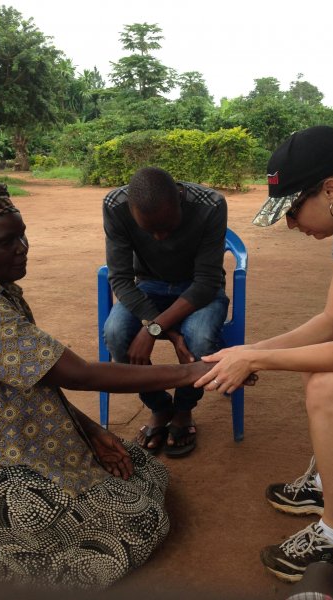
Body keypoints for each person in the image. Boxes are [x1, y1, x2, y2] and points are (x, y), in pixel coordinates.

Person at [0, 180, 212, 588]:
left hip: (34, 434)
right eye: (7, 241)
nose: (23, 246)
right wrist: (193, 371)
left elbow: (35, 377)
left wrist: (89, 429)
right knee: (141, 522)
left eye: (22, 233)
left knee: (145, 473)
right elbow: (79, 374)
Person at [195, 125, 333, 581]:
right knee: (319, 362)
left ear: (331, 190)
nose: (290, 223)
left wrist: (254, 361)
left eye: (292, 209)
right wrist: (250, 350)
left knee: (329, 387)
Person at [102, 166, 229, 457]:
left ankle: (184, 409)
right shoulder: (115, 206)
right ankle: (159, 407)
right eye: (150, 231)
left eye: (168, 228)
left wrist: (152, 328)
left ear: (179, 202)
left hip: (198, 289)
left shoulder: (210, 206)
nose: (160, 238)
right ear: (132, 212)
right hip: (149, 286)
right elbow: (121, 278)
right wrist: (165, 331)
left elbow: (208, 282)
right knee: (116, 333)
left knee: (199, 337)